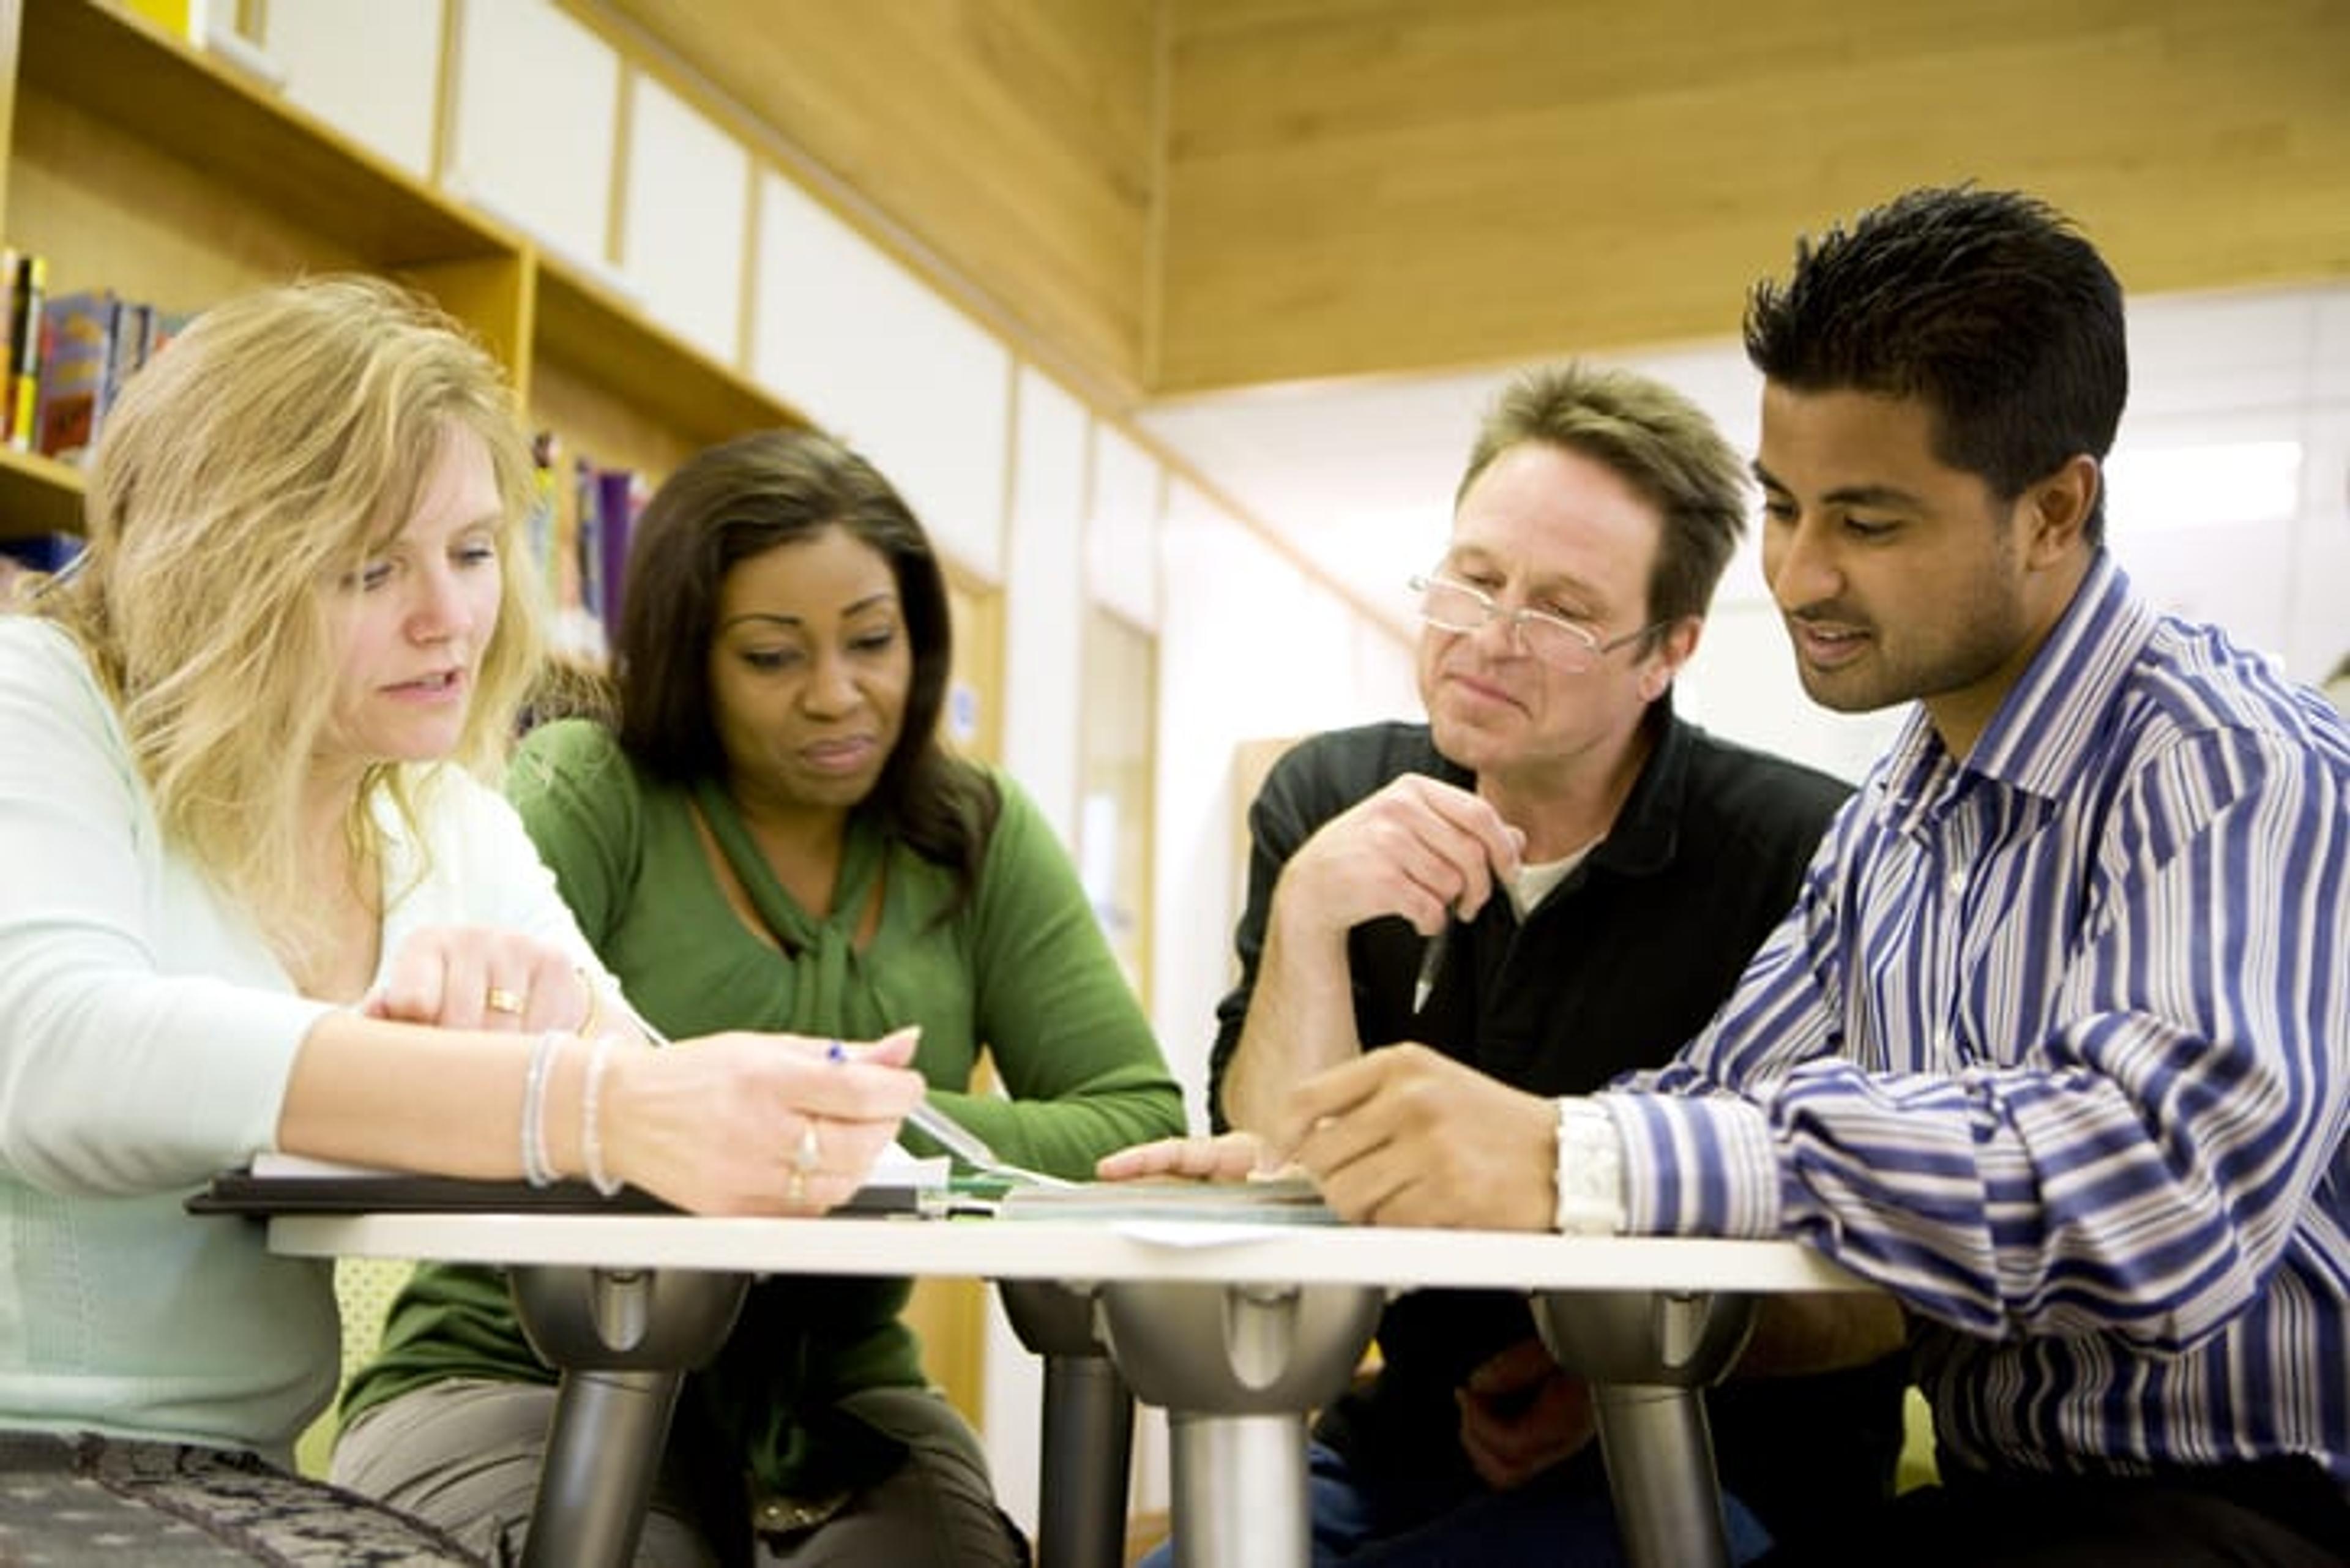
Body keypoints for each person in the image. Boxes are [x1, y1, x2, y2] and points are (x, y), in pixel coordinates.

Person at [1250, 187, 2350, 1567]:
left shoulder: (2226, 761)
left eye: (1869, 523)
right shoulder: (1896, 815)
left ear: (2055, 510)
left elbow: (2160, 1188)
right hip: (1998, 1501)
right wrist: (1339, 1156)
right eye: (1781, 506)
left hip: (2246, 1512)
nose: (1801, 573)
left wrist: (1569, 1152)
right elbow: (1705, 1100)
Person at [0, 277, 927, 1562]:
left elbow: (634, 1081)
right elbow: (56, 1054)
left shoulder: (436, 814)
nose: (450, 618)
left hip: (236, 1479)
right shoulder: (37, 694)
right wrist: (568, 1103)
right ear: (219, 566)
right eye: (371, 567)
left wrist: (634, 1081)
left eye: (475, 550)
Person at [335, 427, 1187, 1566]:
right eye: (774, 657)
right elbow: (457, 1075)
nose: (840, 696)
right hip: (518, 1368)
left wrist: (825, 1121)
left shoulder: (978, 833)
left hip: (838, 1407)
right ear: (692, 657)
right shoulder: (593, 789)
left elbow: (1135, 1123)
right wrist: (799, 1121)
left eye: (873, 642)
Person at [1114, 362, 1909, 1566]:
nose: (1489, 639)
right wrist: (1314, 916)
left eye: (1559, 610)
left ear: (1666, 651)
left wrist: (1619, 1358)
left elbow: (1879, 1270)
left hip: (1720, 1450)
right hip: (1413, 1446)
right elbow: (1286, 1156)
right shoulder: (1331, 799)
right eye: (1472, 581)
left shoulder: (1810, 853)